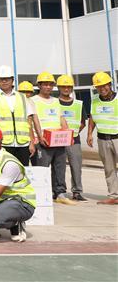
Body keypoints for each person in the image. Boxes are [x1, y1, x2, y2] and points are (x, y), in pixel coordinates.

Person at [31, 72, 75, 205]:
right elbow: (34, 119)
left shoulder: (55, 101)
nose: (48, 87)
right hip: (43, 141)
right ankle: (42, 193)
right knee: (42, 168)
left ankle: (60, 193)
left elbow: (61, 118)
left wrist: (68, 134)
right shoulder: (33, 100)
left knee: (60, 167)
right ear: (39, 85)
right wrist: (39, 136)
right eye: (45, 84)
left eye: (50, 84)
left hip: (58, 140)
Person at [0, 65, 42, 166]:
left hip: (22, 144)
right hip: (2, 143)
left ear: (12, 80)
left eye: (7, 78)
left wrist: (31, 142)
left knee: (22, 171)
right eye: (1, 79)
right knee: (3, 170)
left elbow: (28, 122)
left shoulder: (22, 97)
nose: (4, 81)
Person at [86, 71, 118, 205]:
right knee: (109, 169)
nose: (102, 89)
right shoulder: (94, 100)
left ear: (110, 84)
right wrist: (89, 134)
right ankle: (114, 196)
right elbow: (92, 118)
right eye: (99, 86)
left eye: (104, 85)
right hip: (102, 139)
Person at [56, 74, 89, 202]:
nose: (66, 89)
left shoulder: (78, 104)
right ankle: (58, 191)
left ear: (72, 88)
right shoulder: (54, 103)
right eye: (63, 86)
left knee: (76, 167)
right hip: (58, 140)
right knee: (58, 168)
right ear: (59, 87)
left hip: (74, 140)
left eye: (69, 86)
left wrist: (72, 133)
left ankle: (77, 191)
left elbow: (82, 123)